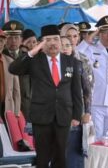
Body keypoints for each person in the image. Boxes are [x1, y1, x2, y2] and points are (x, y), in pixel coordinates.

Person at [9, 25, 83, 168]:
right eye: (48, 40)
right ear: (42, 43)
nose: (53, 43)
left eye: (56, 39)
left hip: (63, 115)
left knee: (61, 155)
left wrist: (76, 115)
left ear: (60, 41)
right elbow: (13, 69)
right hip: (41, 116)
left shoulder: (70, 61)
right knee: (42, 156)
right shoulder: (35, 61)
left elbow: (76, 90)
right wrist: (32, 52)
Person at [60, 24, 95, 168]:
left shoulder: (83, 60)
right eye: (68, 36)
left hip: (78, 113)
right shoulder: (54, 60)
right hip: (59, 114)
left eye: (75, 36)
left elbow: (88, 88)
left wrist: (87, 111)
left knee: (76, 154)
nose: (72, 40)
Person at [0, 30, 21, 119]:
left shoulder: (10, 62)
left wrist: (16, 113)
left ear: (4, 43)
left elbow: (16, 91)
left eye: (1, 41)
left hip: (6, 108)